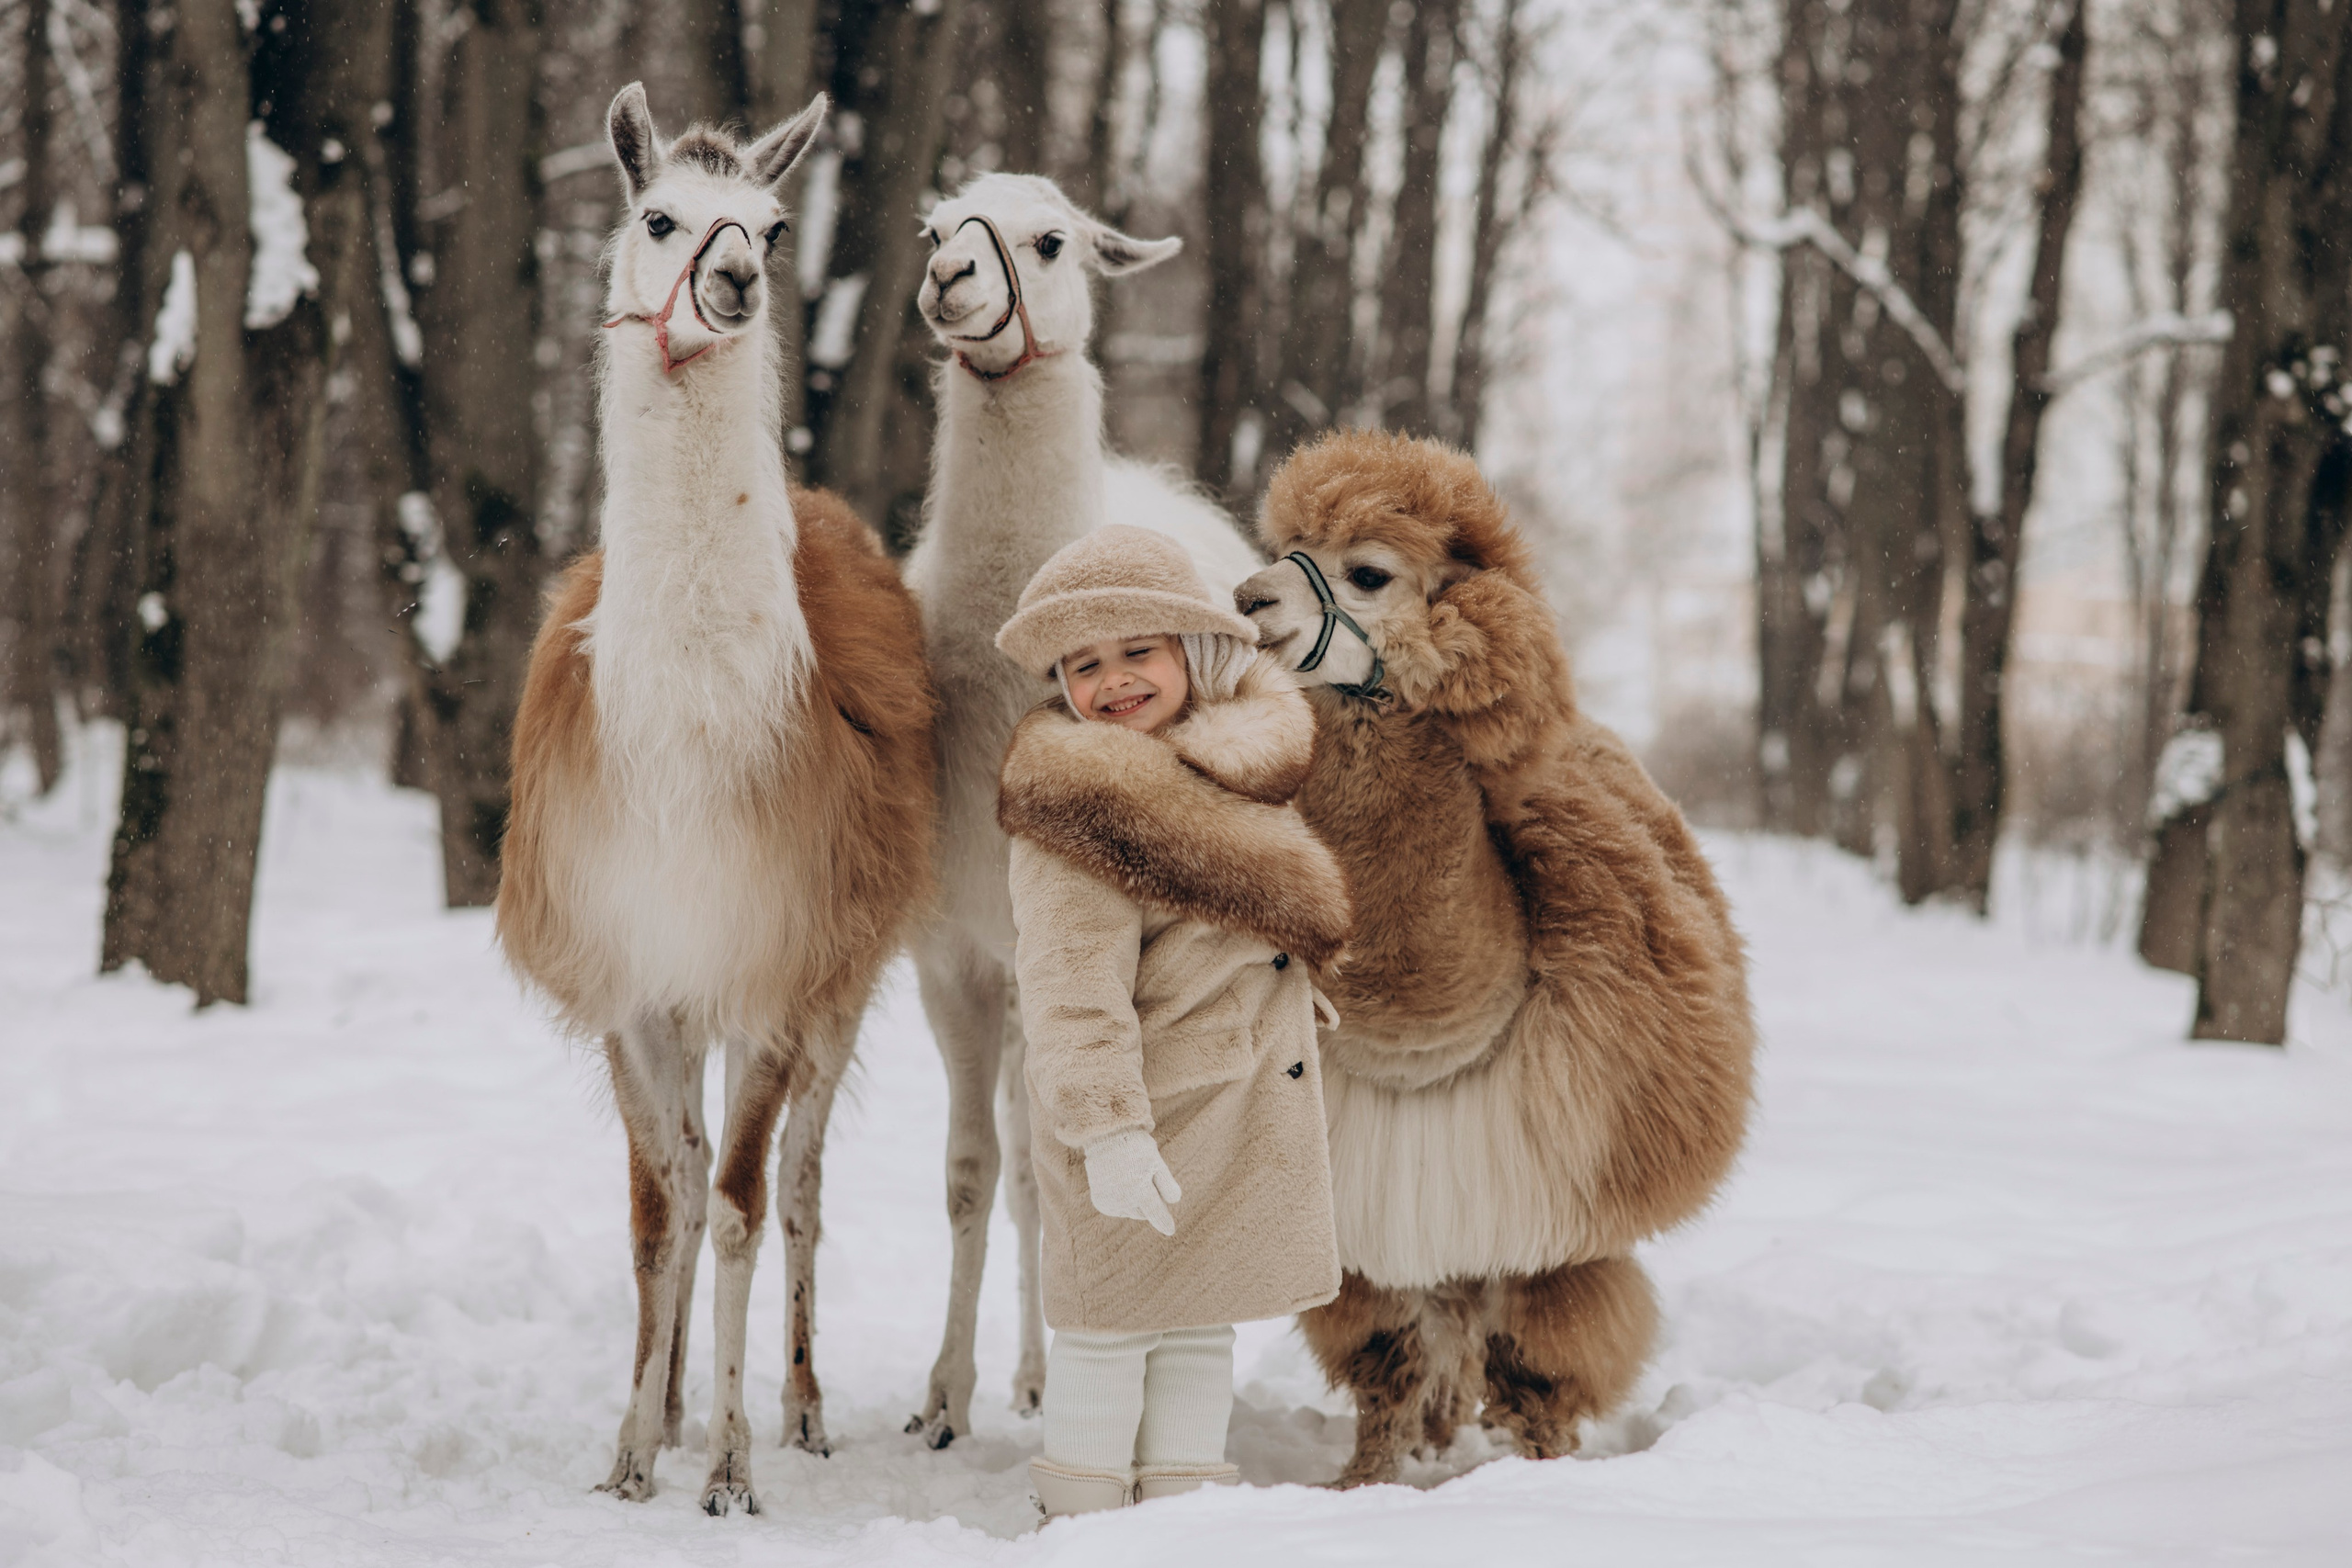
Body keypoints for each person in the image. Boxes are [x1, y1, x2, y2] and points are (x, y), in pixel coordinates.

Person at [992, 525, 1350, 1517]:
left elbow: (1240, 932)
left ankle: (1182, 1520)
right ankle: (1084, 1521)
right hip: (1137, 1111)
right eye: (1082, 665)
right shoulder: (1078, 804)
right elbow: (1068, 984)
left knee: (1200, 1324)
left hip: (1228, 1104)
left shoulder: (1234, 768)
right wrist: (1105, 1127)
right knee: (1109, 1327)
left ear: (1188, 653)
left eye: (1134, 652)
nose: (1111, 682)